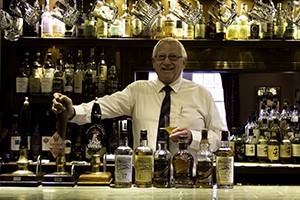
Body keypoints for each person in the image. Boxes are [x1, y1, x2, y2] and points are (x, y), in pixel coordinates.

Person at [52, 38, 227, 173]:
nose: (167, 62)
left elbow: (221, 138)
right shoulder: (137, 91)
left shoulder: (201, 94)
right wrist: (73, 111)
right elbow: (104, 106)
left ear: (184, 62)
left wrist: (194, 138)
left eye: (173, 57)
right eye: (161, 57)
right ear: (153, 62)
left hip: (190, 180)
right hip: (145, 179)